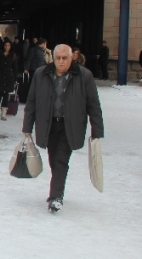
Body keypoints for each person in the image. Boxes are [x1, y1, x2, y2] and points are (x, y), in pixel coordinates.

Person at [22, 44, 104, 213]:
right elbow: (32, 102)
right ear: (52, 57)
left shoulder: (84, 76)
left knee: (61, 160)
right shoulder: (41, 74)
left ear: (72, 57)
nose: (60, 61)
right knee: (53, 159)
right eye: (57, 58)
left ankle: (55, 197)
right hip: (48, 124)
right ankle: (56, 189)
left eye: (64, 58)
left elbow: (93, 104)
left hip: (70, 126)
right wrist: (27, 126)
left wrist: (97, 130)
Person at [0, 39, 18, 121]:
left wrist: (15, 79)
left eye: (8, 46)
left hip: (8, 77)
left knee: (6, 95)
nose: (7, 47)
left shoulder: (13, 55)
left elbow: (15, 68)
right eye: (5, 45)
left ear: (11, 46)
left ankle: (3, 113)